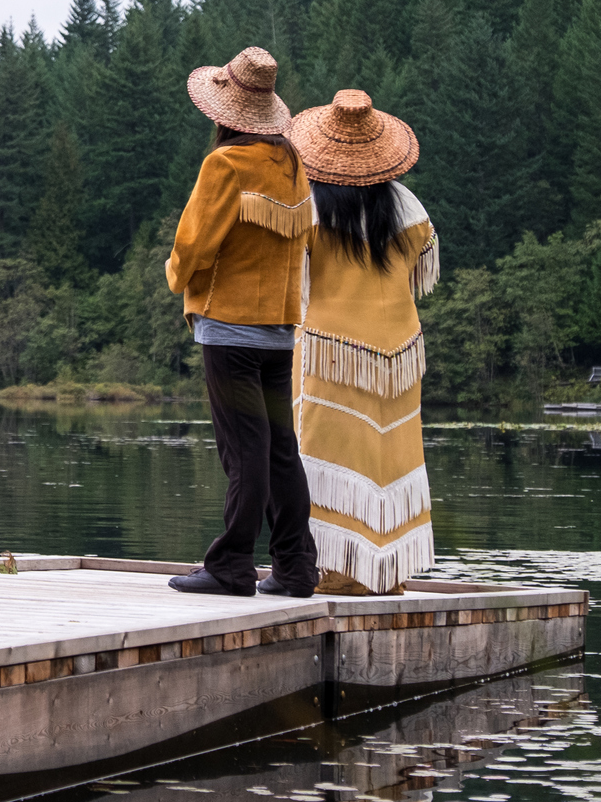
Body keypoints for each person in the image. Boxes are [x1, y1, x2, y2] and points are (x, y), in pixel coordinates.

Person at [163, 46, 317, 599]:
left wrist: (176, 275)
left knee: (242, 449)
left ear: (225, 111)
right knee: (279, 448)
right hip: (280, 331)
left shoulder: (224, 164)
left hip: (229, 327)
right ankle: (297, 569)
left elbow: (194, 243)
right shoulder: (293, 164)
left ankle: (230, 567)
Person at [285, 89, 439, 594]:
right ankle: (386, 574)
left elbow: (295, 270)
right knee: (388, 454)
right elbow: (421, 267)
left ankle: (335, 569)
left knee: (321, 457)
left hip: (330, 351)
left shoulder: (310, 203)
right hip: (398, 348)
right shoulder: (406, 206)